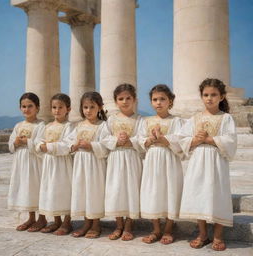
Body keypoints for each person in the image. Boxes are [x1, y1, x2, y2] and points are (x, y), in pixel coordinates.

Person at [179, 78, 237, 251]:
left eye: (213, 95)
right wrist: (194, 140)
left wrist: (209, 139)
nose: (209, 98)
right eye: (206, 95)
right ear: (201, 96)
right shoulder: (194, 118)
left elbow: (231, 140)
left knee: (218, 194)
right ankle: (203, 234)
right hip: (198, 161)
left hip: (217, 162)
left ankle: (218, 236)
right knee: (199, 195)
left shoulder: (226, 118)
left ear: (222, 96)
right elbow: (182, 138)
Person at [139, 84, 184, 244]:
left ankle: (169, 229)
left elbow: (181, 140)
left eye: (162, 99)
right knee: (154, 191)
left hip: (169, 160)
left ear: (170, 101)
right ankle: (156, 229)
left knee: (169, 190)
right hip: (152, 161)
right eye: (155, 99)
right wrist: (149, 139)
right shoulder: (146, 121)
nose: (158, 102)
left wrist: (165, 139)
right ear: (151, 102)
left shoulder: (177, 121)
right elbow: (139, 140)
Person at [101, 83, 143, 241]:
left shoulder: (139, 120)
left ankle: (129, 224)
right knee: (116, 190)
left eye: (128, 98)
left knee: (131, 189)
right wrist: (116, 140)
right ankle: (118, 224)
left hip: (132, 159)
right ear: (115, 101)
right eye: (121, 98)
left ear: (135, 100)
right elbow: (104, 138)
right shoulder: (111, 120)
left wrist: (131, 141)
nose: (124, 101)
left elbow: (142, 138)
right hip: (116, 158)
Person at [67, 92, 108, 238]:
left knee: (94, 192)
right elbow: (69, 143)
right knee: (83, 191)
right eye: (85, 107)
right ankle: (86, 222)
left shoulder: (103, 126)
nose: (88, 110)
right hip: (80, 164)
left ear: (100, 108)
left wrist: (92, 145)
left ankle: (96, 223)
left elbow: (106, 146)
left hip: (95, 164)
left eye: (92, 107)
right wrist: (74, 145)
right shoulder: (78, 126)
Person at [8, 92, 47, 232]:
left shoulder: (41, 125)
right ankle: (31, 217)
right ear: (20, 108)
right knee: (26, 188)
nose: (26, 109)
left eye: (30, 106)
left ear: (37, 108)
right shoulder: (18, 125)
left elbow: (41, 142)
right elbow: (11, 145)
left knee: (36, 187)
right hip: (21, 161)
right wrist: (16, 142)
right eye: (23, 106)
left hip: (34, 161)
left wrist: (27, 141)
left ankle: (42, 218)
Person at [36, 93, 74, 235]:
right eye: (54, 107)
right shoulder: (47, 126)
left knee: (63, 189)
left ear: (68, 109)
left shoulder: (69, 126)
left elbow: (68, 144)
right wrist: (41, 146)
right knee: (51, 189)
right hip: (49, 163)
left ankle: (67, 222)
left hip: (62, 164)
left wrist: (50, 146)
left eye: (60, 107)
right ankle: (56, 220)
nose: (57, 110)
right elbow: (38, 141)